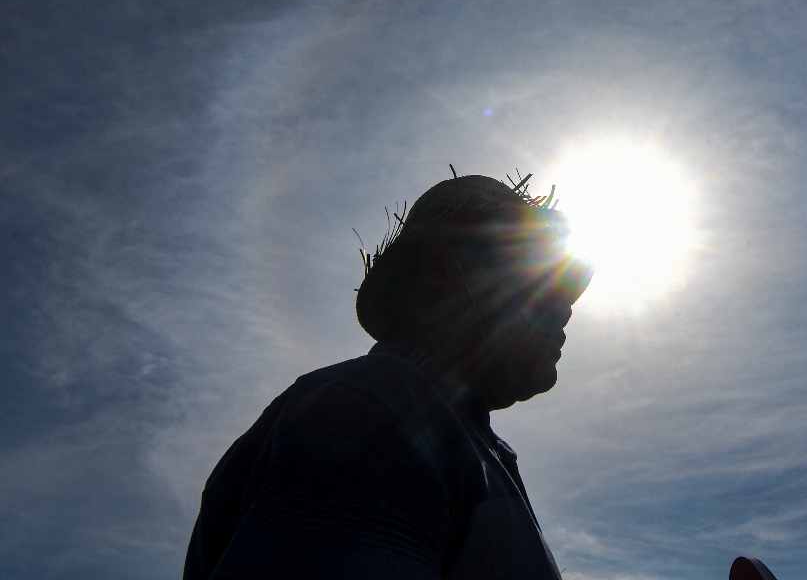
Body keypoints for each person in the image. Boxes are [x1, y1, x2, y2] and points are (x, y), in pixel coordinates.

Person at [182, 173, 594, 579]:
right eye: (536, 274)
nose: (564, 307)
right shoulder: (371, 412)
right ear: (442, 267)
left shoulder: (454, 436)